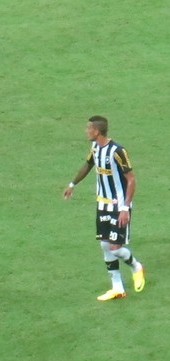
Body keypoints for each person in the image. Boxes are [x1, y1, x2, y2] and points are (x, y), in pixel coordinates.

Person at [63, 115, 145, 301]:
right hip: (103, 202)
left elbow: (131, 179)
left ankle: (136, 266)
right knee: (104, 244)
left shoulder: (117, 151)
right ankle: (117, 288)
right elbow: (88, 165)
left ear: (97, 131)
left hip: (119, 204)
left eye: (88, 128)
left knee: (115, 248)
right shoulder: (95, 148)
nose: (86, 131)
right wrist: (72, 184)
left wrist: (125, 207)